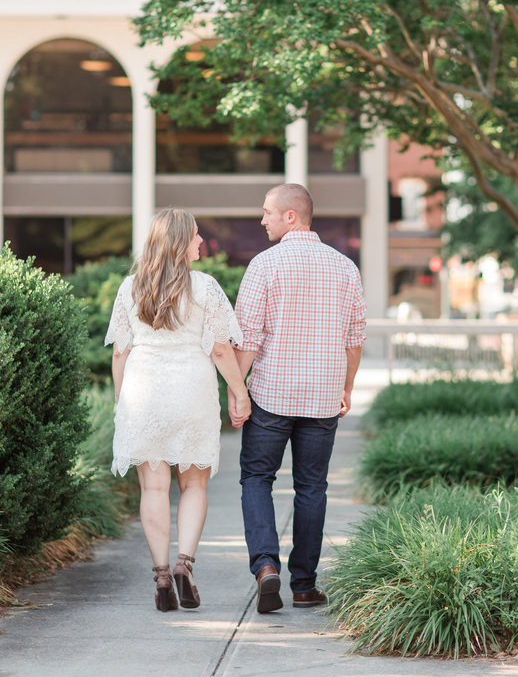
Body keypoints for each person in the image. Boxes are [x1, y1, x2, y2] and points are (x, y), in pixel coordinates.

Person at [105, 208, 251, 612]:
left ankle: (162, 576)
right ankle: (185, 563)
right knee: (194, 486)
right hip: (192, 392)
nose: (201, 242)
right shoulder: (204, 287)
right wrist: (240, 392)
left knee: (153, 488)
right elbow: (221, 348)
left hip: (143, 392)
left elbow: (120, 352)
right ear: (178, 243)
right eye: (196, 236)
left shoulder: (130, 288)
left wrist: (121, 402)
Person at [231, 183, 366, 613]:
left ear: (292, 216)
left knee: (257, 478)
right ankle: (304, 586)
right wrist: (346, 387)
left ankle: (266, 566)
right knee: (312, 488)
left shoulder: (264, 266)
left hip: (272, 395)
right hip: (323, 399)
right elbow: (354, 340)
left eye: (268, 212)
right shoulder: (345, 268)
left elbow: (248, 339)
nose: (262, 219)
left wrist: (238, 390)